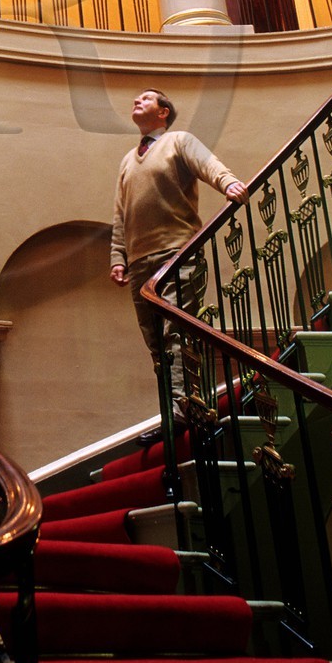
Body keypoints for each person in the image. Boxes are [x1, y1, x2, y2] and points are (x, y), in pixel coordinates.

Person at [110, 88, 248, 428]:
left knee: (176, 332)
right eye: (136, 98)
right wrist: (118, 256)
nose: (137, 101)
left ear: (163, 112)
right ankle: (175, 410)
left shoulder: (179, 141)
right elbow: (120, 214)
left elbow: (208, 163)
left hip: (177, 252)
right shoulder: (127, 160)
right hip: (139, 261)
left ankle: (183, 410)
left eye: (146, 98)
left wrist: (228, 182)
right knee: (156, 341)